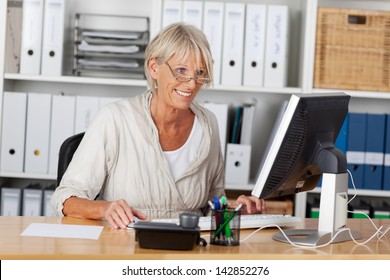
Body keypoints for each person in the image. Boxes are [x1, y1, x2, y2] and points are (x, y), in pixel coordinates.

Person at [51, 23, 266, 229]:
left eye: (200, 73)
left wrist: (234, 210)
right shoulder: (115, 119)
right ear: (154, 68)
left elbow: (212, 207)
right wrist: (104, 208)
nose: (192, 84)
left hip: (189, 249)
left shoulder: (208, 124)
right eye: (181, 70)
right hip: (126, 246)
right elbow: (65, 198)